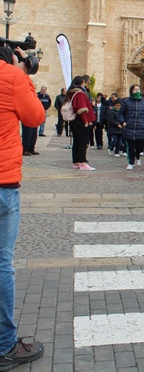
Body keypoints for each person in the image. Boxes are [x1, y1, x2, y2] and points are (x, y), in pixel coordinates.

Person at [0, 46, 45, 370]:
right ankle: (5, 345)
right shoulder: (12, 76)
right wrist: (22, 73)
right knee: (2, 264)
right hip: (2, 183)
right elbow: (35, 117)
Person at [66, 76, 96, 170]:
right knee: (83, 142)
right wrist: (86, 121)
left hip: (75, 121)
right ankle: (83, 162)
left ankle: (76, 162)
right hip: (80, 121)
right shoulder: (79, 93)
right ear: (82, 82)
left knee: (77, 142)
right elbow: (81, 109)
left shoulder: (72, 93)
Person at [119, 84, 144, 170]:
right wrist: (123, 122)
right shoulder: (126, 102)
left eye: (138, 89)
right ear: (131, 91)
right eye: (135, 89)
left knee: (140, 146)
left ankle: (138, 156)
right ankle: (131, 162)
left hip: (141, 127)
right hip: (130, 126)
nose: (137, 91)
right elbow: (121, 113)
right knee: (130, 146)